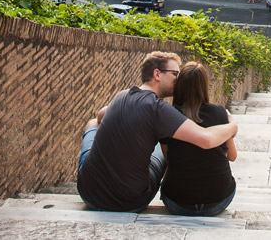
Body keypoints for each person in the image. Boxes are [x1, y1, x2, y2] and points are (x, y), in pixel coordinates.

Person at [77, 52, 238, 213]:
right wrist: (232, 126)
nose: (178, 79)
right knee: (162, 148)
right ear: (157, 74)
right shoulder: (159, 109)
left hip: (89, 194)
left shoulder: (121, 95)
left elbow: (100, 116)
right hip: (131, 201)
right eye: (175, 74)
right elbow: (207, 140)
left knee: (92, 123)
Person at [159, 62, 237, 216]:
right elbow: (232, 156)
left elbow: (169, 159)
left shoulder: (168, 115)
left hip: (178, 203)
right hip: (218, 200)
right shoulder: (219, 113)